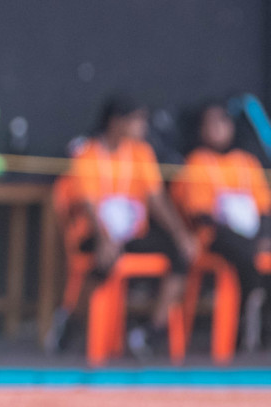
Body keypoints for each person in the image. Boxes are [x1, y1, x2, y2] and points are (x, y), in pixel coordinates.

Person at [47, 95, 198, 357]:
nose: (142, 126)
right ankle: (72, 320)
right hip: (95, 232)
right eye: (137, 120)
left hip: (132, 233)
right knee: (103, 259)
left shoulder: (141, 153)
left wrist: (180, 234)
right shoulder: (88, 154)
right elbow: (89, 204)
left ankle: (151, 331)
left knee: (181, 255)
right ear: (117, 122)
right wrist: (105, 237)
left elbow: (156, 200)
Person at [172, 100, 271, 351]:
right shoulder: (197, 162)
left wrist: (260, 234)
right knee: (240, 250)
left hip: (251, 236)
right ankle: (246, 313)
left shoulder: (246, 162)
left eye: (223, 122)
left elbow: (263, 207)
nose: (219, 128)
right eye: (212, 123)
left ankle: (258, 312)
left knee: (251, 249)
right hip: (213, 237)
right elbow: (199, 213)